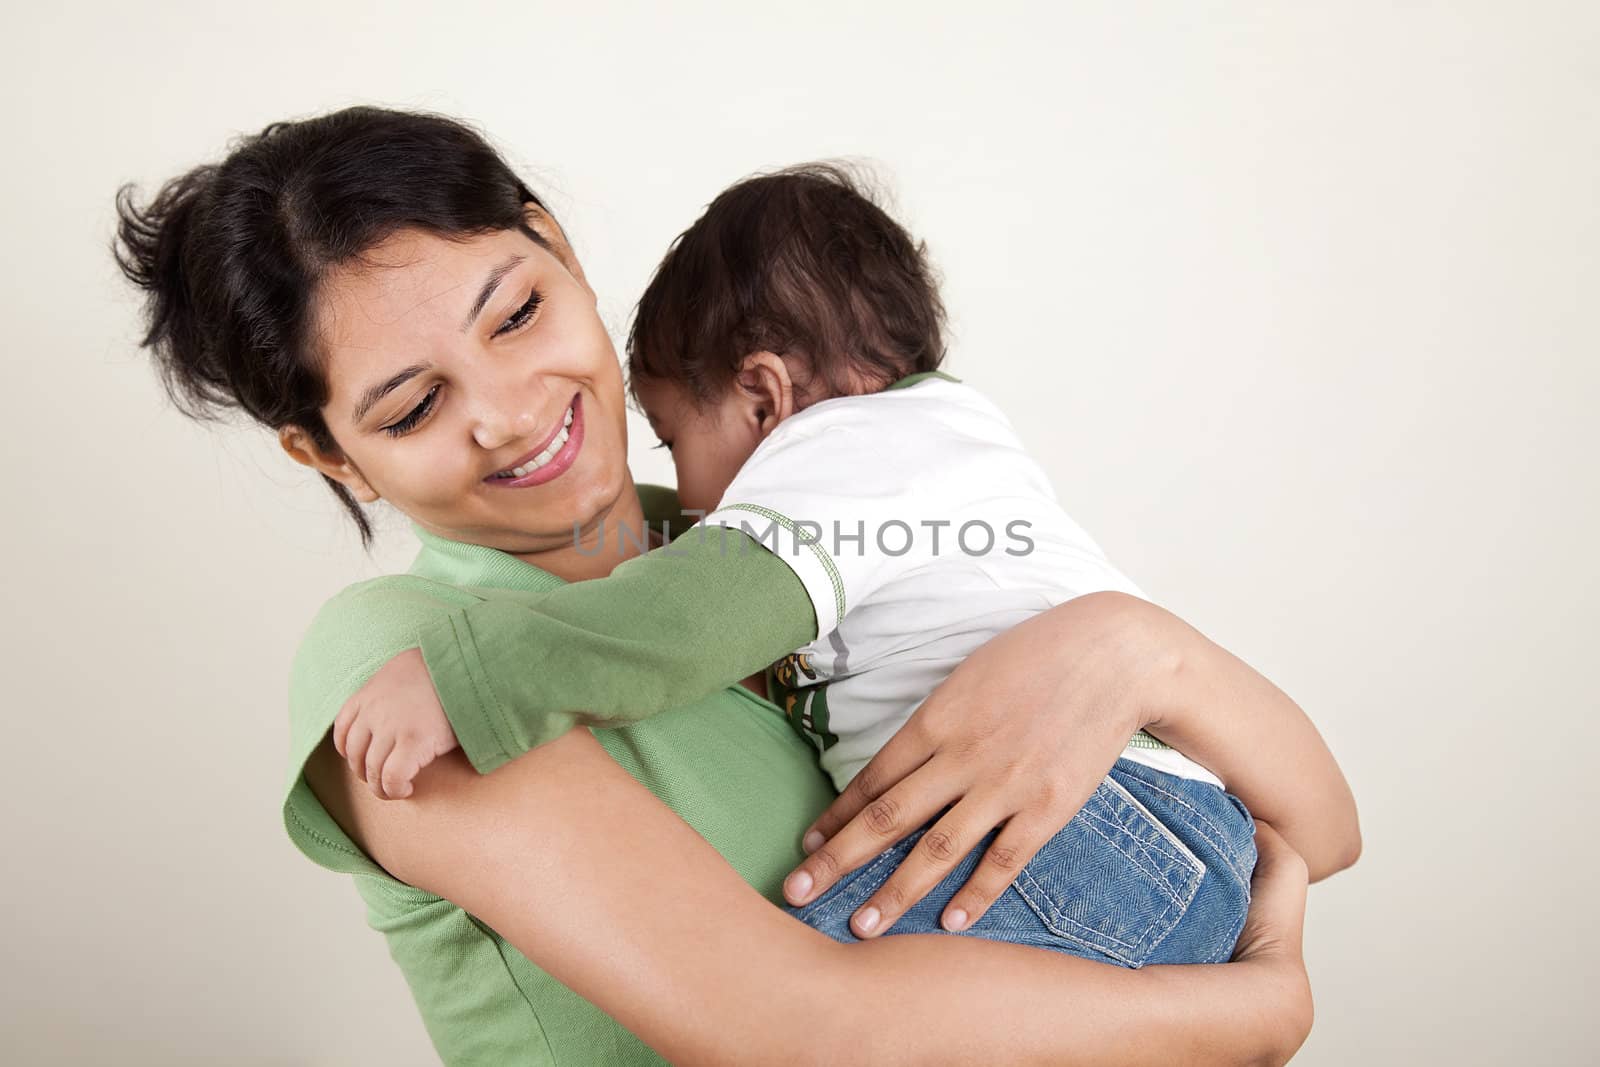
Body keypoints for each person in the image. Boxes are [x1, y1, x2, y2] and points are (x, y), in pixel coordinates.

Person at [114, 105, 1357, 1064]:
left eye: (517, 312)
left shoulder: (749, 542)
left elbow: (1329, 827)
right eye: (417, 402)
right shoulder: (407, 661)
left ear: (556, 243)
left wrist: (1135, 647)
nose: (506, 414)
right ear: (330, 453)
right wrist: (1250, 1005)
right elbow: (800, 1031)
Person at [335, 165, 1284, 968]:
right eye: (414, 405)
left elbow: (683, 620)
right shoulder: (937, 438)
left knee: (809, 992)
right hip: (1170, 827)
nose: (691, 497)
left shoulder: (836, 460)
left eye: (674, 439)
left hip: (1090, 834)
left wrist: (469, 683)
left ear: (763, 396)